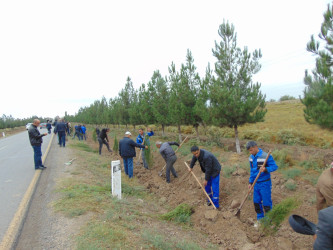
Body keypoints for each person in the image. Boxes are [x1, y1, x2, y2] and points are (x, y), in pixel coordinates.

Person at [246, 141, 278, 227]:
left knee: (266, 203)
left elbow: (275, 167)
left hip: (265, 183)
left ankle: (268, 221)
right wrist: (250, 182)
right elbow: (252, 171)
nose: (250, 152)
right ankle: (260, 220)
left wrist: (266, 169)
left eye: (251, 150)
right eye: (249, 151)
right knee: (256, 202)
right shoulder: (251, 158)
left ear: (256, 147)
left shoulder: (265, 156)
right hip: (256, 184)